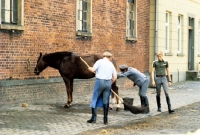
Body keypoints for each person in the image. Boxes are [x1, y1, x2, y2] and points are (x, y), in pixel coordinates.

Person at [87, 51, 117, 124]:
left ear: (104, 56)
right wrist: (110, 83)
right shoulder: (111, 64)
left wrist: (89, 68)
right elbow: (115, 77)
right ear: (109, 57)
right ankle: (105, 120)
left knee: (95, 98)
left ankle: (93, 118)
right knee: (106, 101)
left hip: (100, 82)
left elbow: (93, 70)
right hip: (108, 83)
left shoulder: (99, 62)